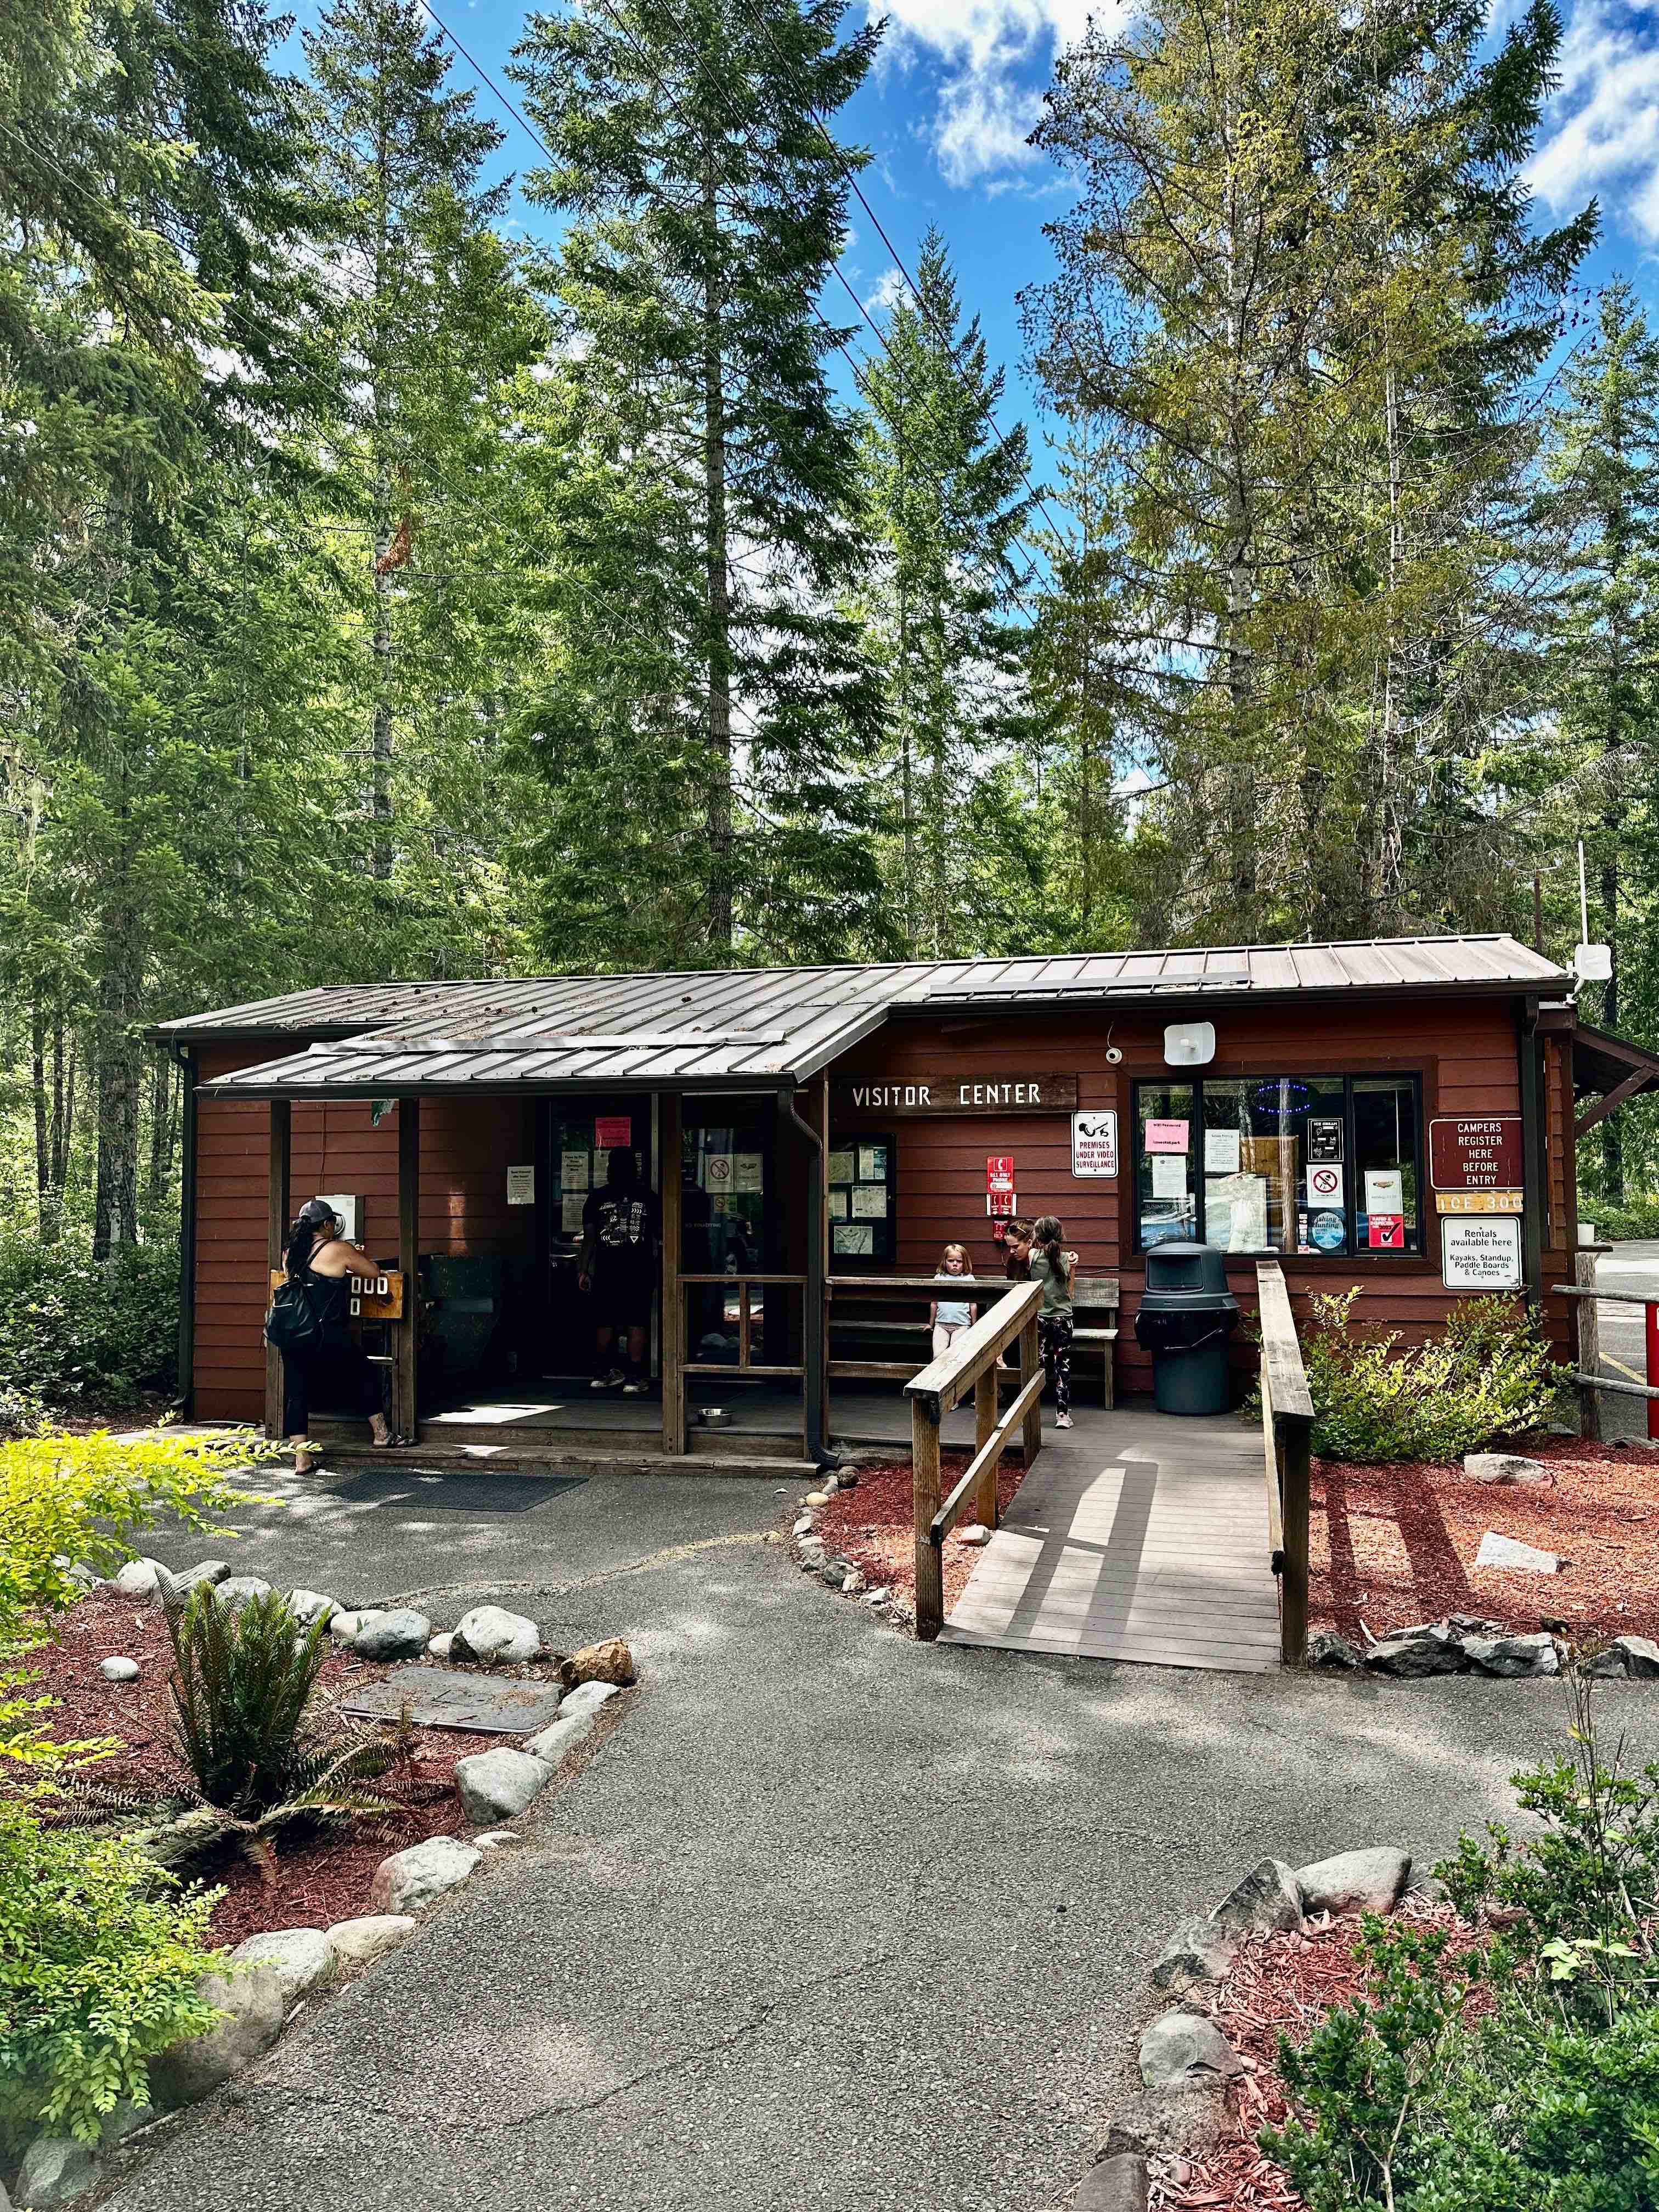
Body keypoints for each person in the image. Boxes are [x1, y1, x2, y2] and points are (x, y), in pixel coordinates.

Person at [281, 1198, 393, 1472]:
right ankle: (381, 1435)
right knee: (365, 1371)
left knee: (297, 1392)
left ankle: (302, 1458)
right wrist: (356, 1253)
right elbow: (373, 1272)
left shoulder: (290, 1253)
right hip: (324, 1332)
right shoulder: (338, 1249)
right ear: (329, 1225)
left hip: (293, 1331)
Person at [579, 1148, 661, 1392]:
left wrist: (583, 1270)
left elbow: (589, 1239)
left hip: (607, 1270)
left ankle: (602, 1374)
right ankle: (634, 1379)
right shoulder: (649, 1197)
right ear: (635, 1169)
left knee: (605, 1322)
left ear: (609, 1169)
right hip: (640, 1269)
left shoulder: (597, 1197)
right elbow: (659, 1235)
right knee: (637, 1321)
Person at [1007, 1215, 1077, 1428]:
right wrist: (1073, 1261)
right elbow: (1070, 1292)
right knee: (1062, 1367)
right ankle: (1063, 1416)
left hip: (1039, 1320)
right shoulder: (1067, 1259)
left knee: (1035, 1364)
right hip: (1063, 1320)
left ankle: (1026, 1411)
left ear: (1036, 1236)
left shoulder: (1031, 1256)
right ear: (1061, 1235)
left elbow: (1020, 1256)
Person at [929, 1242, 979, 1359]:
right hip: (941, 1324)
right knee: (937, 1356)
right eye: (951, 1261)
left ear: (964, 1263)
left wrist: (975, 1325)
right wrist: (930, 1324)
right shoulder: (939, 1278)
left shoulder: (969, 1279)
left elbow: (973, 1304)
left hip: (962, 1325)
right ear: (945, 1262)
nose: (955, 1265)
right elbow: (934, 1303)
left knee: (955, 1357)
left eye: (959, 1261)